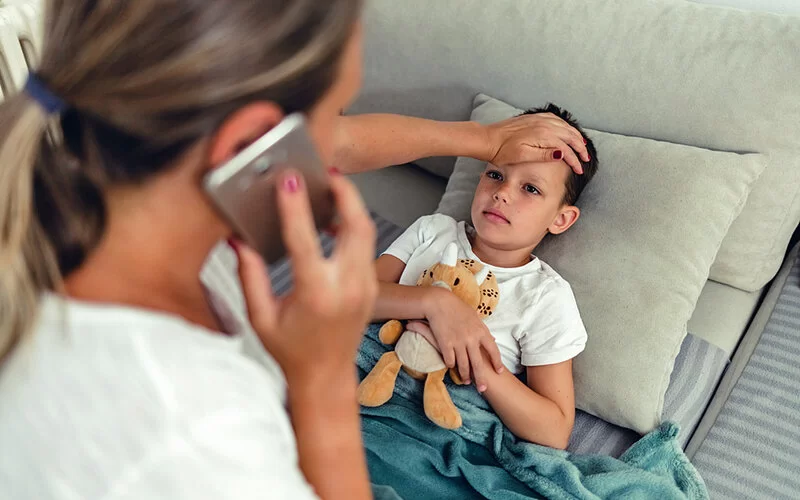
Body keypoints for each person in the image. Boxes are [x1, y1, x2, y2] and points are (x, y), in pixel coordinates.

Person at [0, 2, 590, 500]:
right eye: (333, 112)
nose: (335, 149)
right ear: (251, 143)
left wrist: (483, 141)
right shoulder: (192, 422)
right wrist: (321, 377)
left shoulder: (68, 206)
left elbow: (342, 143)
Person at [372, 105, 599, 449]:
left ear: (561, 219)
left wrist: (474, 355)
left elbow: (553, 430)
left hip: (439, 430)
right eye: (495, 174)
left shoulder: (545, 296)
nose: (503, 192)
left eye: (531, 189)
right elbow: (347, 298)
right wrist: (433, 303)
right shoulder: (432, 231)